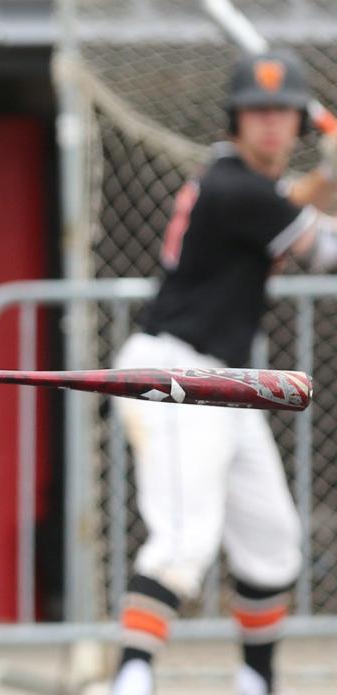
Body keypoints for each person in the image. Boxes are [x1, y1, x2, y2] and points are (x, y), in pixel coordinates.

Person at [110, 50, 337, 695]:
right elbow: (320, 245)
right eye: (257, 113)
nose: (271, 125)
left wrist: (327, 173)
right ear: (236, 121)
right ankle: (132, 679)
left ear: (298, 123)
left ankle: (254, 682)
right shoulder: (237, 187)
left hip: (220, 382)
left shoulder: (243, 188)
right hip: (175, 375)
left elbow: (291, 209)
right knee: (184, 540)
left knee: (272, 540)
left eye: (284, 113)